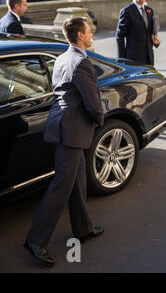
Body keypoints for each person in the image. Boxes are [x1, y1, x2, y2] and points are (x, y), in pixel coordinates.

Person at [24, 17, 105, 267]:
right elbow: (92, 101)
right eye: (89, 31)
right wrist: (99, 118)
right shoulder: (81, 62)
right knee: (61, 187)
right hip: (71, 131)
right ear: (80, 35)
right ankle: (36, 241)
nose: (91, 34)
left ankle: (83, 229)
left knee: (78, 181)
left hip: (64, 126)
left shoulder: (62, 56)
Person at [115, 0, 161, 66]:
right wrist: (121, 61)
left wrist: (156, 42)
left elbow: (150, 34)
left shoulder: (149, 10)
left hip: (149, 59)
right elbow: (119, 36)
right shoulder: (127, 11)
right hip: (133, 59)